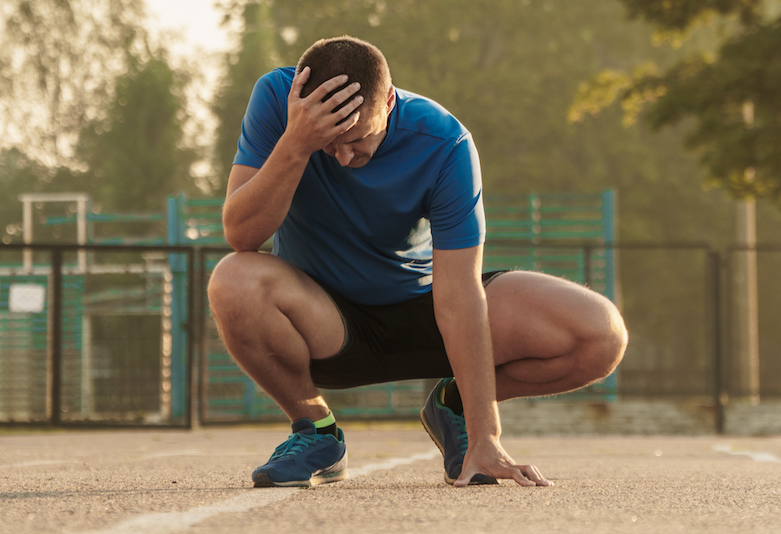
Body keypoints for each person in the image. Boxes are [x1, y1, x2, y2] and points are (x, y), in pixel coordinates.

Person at [207, 35, 627, 488]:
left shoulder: (443, 141)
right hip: (322, 321)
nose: (345, 157)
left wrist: (487, 434)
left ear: (389, 100)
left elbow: (459, 292)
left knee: (598, 335)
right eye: (331, 143)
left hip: (425, 307)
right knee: (233, 279)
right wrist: (296, 144)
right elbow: (242, 234)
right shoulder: (277, 100)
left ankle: (454, 408)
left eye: (358, 138)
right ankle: (317, 432)